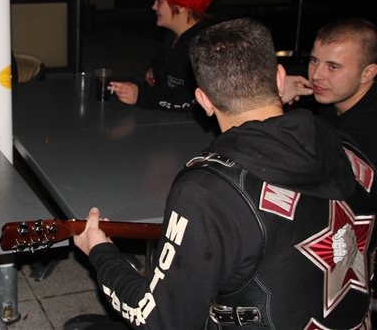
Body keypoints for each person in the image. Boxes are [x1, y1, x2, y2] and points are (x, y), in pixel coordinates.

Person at [74, 18, 376, 329]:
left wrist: (101, 252)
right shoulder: (353, 151)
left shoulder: (206, 191)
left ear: (204, 100)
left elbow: (159, 320)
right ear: (279, 77)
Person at [110, 0, 225, 111]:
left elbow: (194, 99)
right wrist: (156, 73)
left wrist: (142, 96)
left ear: (181, 5)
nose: (153, 7)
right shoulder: (173, 34)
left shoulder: (209, 45)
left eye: (159, 1)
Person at [283, 18, 377, 165]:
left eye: (333, 67)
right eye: (314, 60)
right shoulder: (335, 87)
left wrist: (273, 103)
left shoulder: (365, 132)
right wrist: (276, 85)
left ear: (367, 73)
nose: (316, 75)